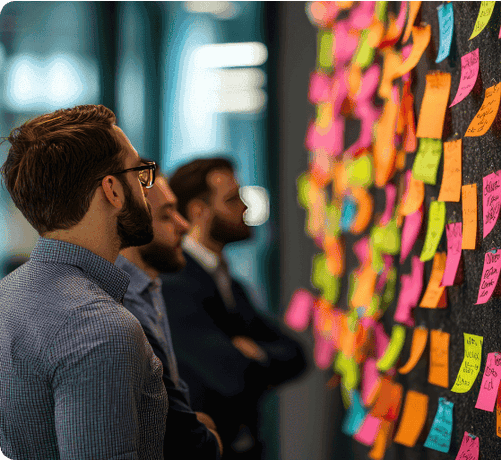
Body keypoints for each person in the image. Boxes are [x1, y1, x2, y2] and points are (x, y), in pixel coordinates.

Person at [0, 105, 167, 460]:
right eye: (139, 173)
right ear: (112, 190)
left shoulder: (7, 295)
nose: (145, 188)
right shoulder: (100, 328)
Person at [161, 157, 307, 459]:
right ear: (199, 211)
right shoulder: (175, 285)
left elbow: (296, 354)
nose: (245, 208)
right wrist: (251, 355)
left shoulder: (230, 284)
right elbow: (234, 376)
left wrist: (256, 353)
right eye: (232, 199)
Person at [116, 164, 223, 459]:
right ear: (128, 224)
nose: (184, 225)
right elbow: (179, 432)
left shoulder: (151, 287)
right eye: (166, 215)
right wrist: (203, 433)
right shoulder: (121, 304)